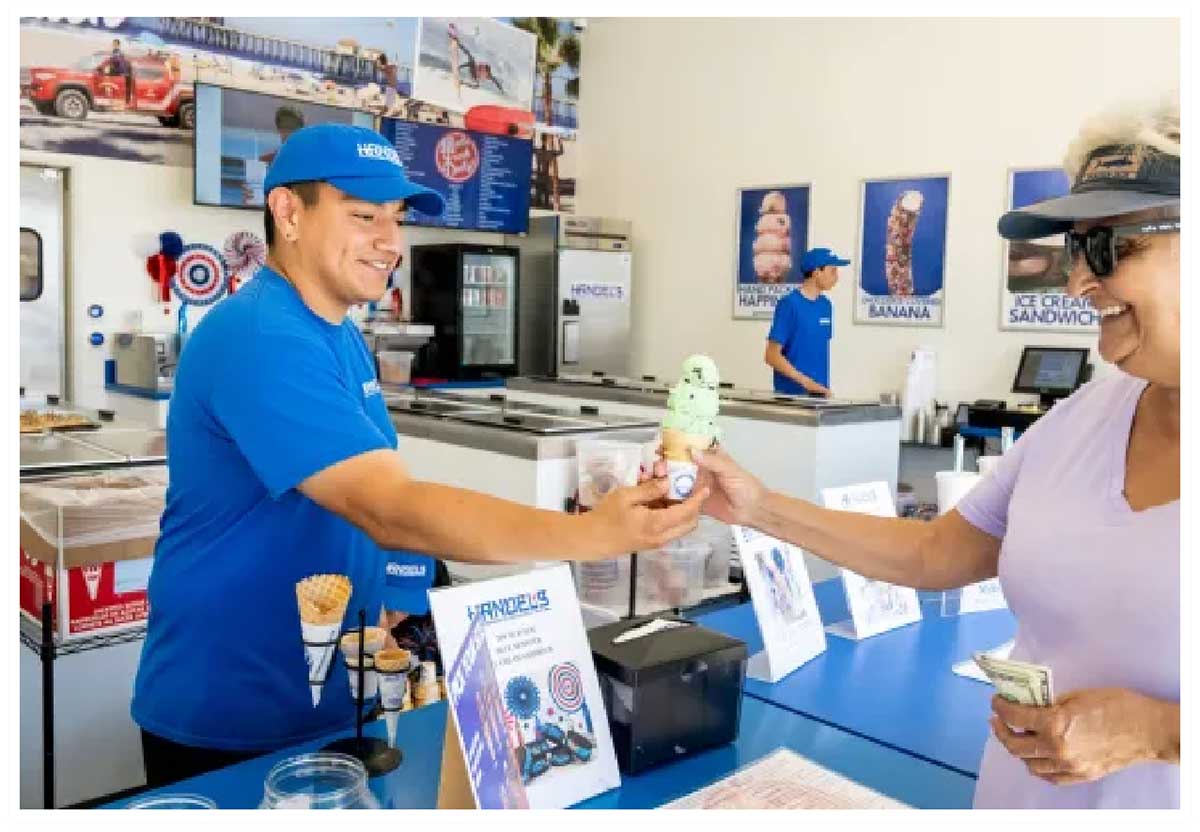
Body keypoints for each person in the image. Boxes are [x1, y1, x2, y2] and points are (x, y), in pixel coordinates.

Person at [131, 123, 706, 787]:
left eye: (397, 218)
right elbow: (392, 508)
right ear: (288, 213)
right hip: (236, 713)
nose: (391, 242)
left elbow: (377, 482)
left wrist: (400, 588)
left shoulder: (337, 332)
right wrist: (590, 534)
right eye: (363, 216)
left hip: (331, 697)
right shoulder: (262, 337)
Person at [685, 97, 1180, 809]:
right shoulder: (1079, 421)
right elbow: (935, 555)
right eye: (1076, 250)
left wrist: (1161, 732)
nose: (1077, 282)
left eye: (1109, 249)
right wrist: (760, 508)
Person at [764, 247, 848, 398]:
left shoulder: (826, 306)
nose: (837, 277)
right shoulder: (789, 304)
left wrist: (819, 388)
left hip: (820, 396)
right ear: (816, 272)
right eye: (833, 271)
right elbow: (771, 355)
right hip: (791, 397)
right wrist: (807, 383)